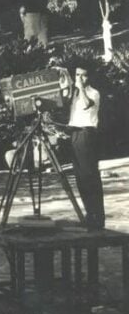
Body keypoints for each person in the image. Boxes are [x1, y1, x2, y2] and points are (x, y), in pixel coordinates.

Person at [68, 67, 105, 230]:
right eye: (77, 75)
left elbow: (86, 105)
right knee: (80, 178)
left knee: (90, 177)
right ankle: (89, 214)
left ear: (89, 77)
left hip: (87, 134)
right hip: (75, 134)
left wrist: (80, 88)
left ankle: (98, 216)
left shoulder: (93, 93)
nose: (80, 78)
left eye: (83, 75)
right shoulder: (74, 94)